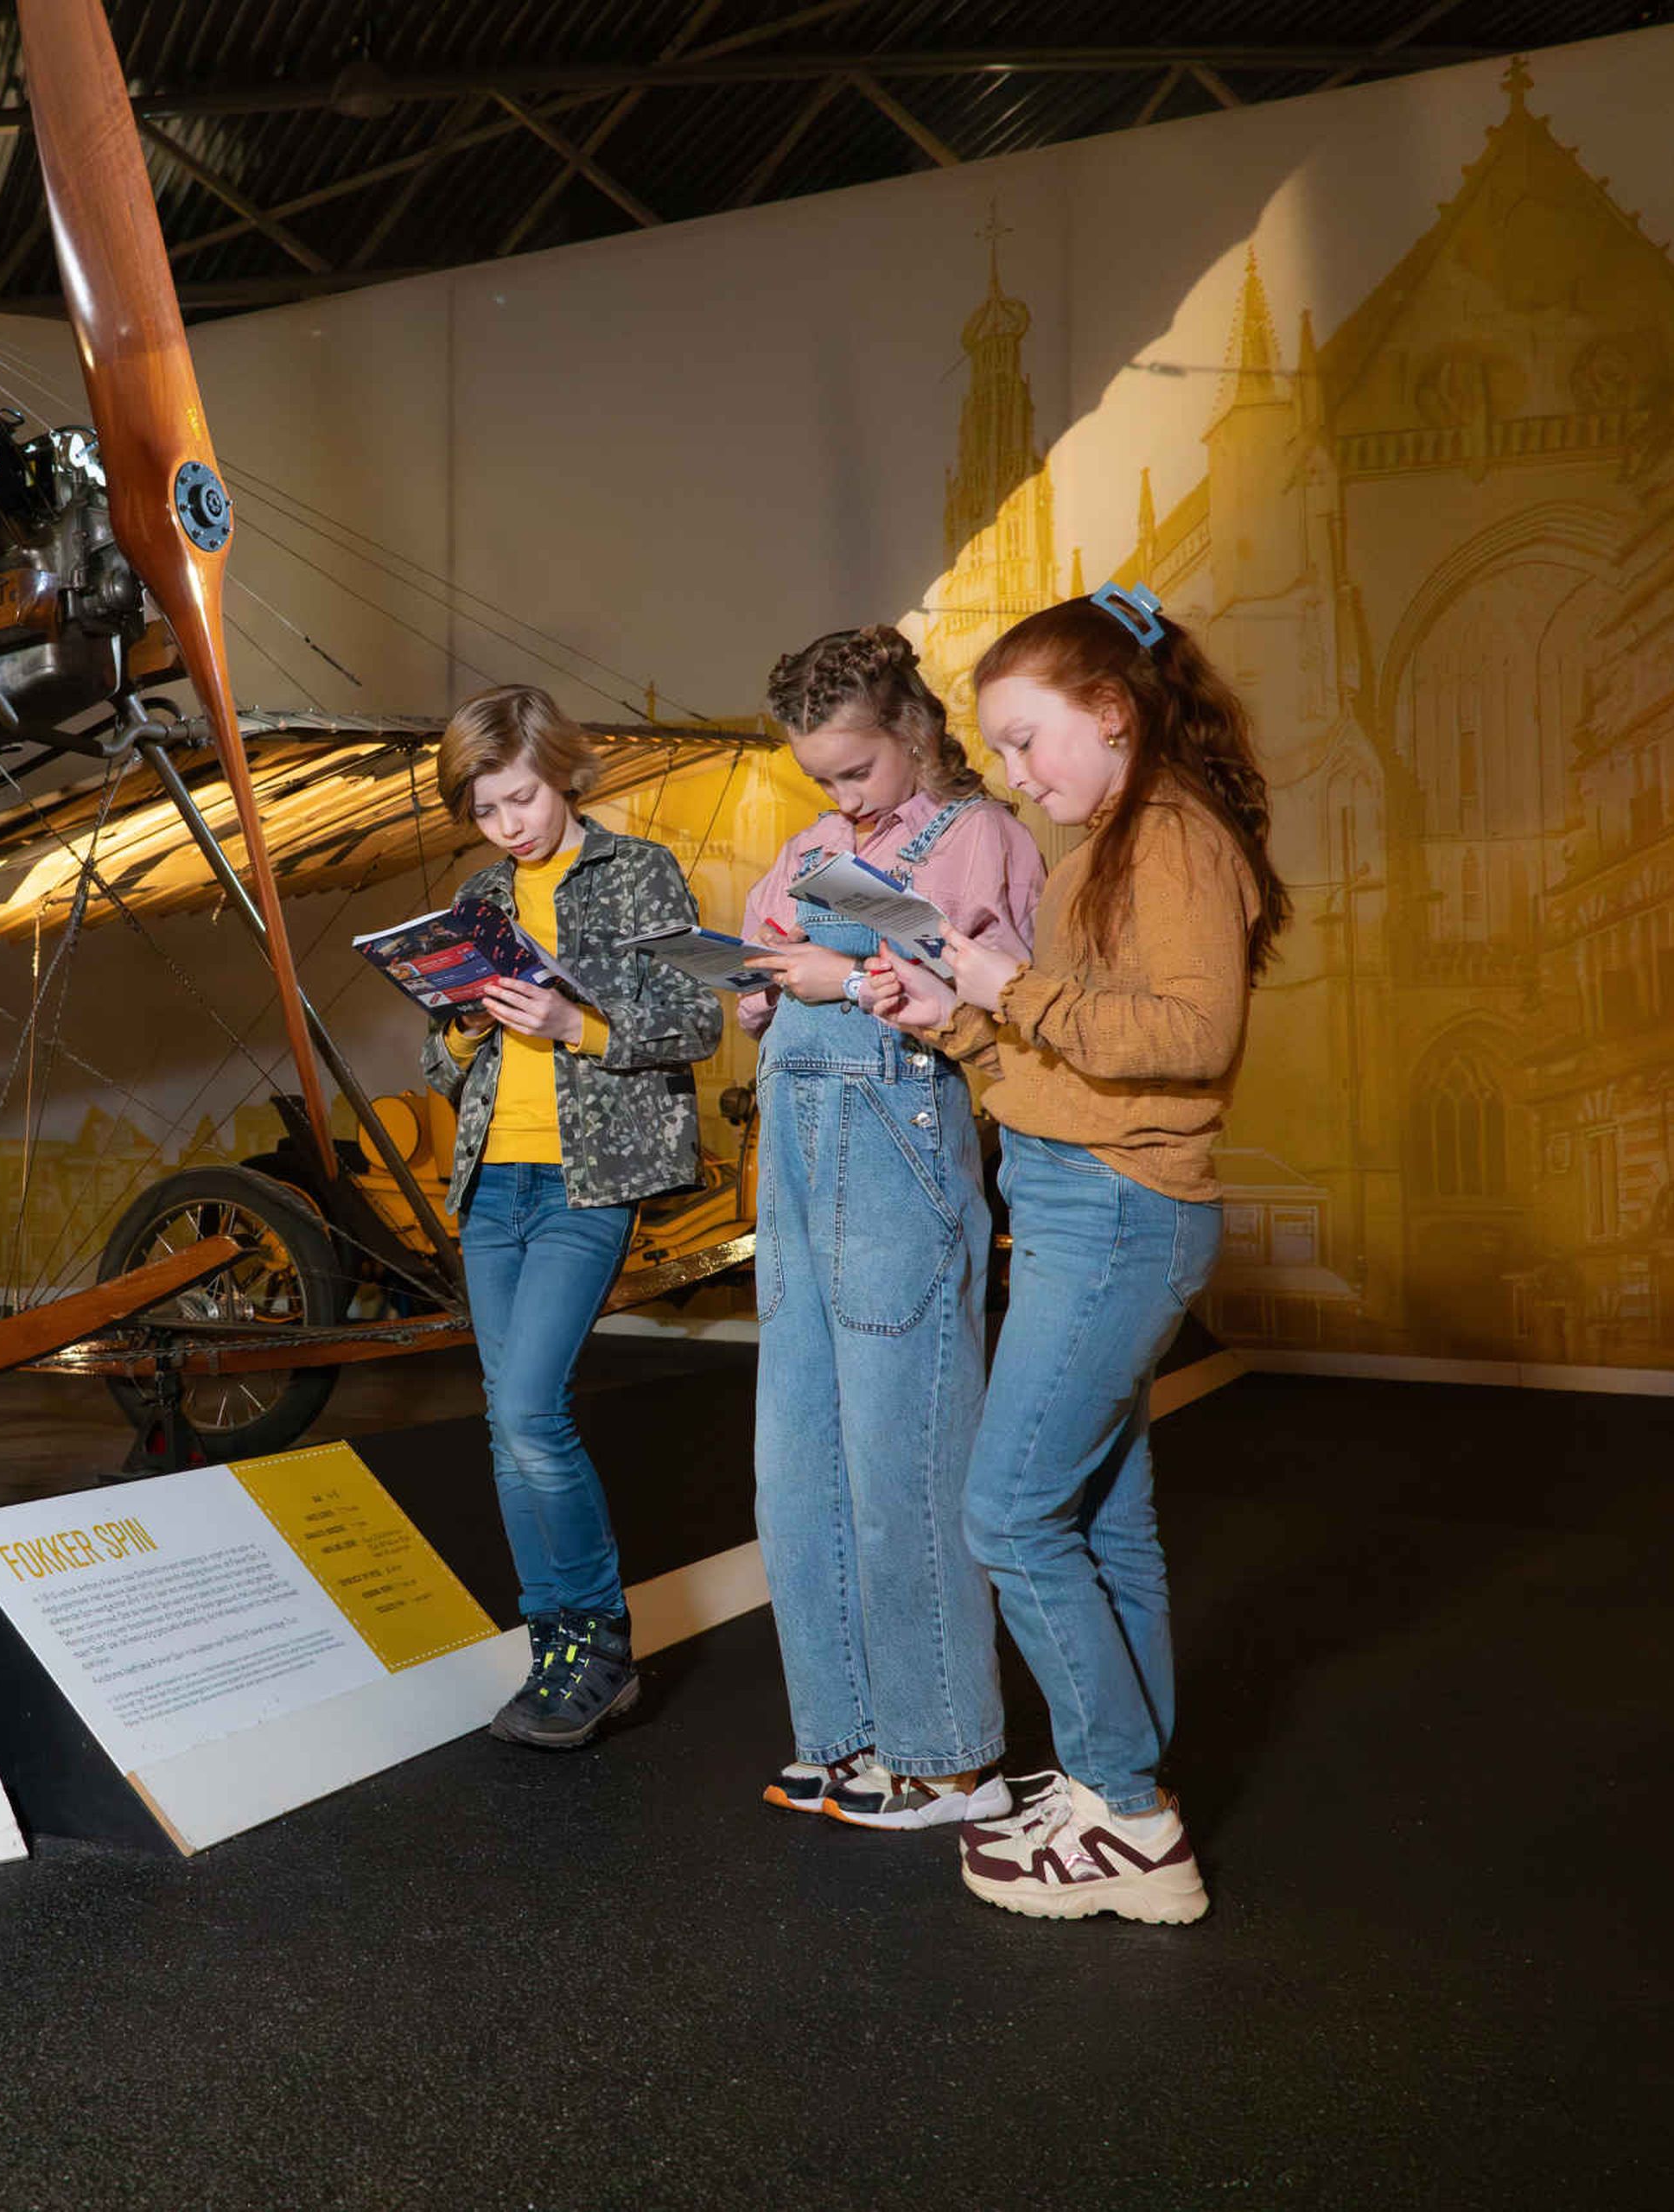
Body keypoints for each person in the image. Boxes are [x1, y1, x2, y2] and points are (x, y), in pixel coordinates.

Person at [860, 584, 1290, 1924]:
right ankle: (1122, 1780)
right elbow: (1070, 1062)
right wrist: (951, 1013)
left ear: (1114, 716)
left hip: (1114, 1213)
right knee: (1100, 1511)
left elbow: (1186, 1037)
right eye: (997, 749)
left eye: (1029, 738)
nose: (1015, 772)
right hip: (1076, 1193)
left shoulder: (1167, 834)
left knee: (1008, 1511)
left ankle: (1132, 1823)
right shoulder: (1114, 841)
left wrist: (1002, 989)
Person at [736, 626, 1045, 1831]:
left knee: (900, 1455)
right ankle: (844, 1728)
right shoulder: (811, 847)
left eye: (856, 769)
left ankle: (946, 1752)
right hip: (799, 1156)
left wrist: (853, 976)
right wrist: (761, 979)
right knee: (795, 1458)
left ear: (914, 730)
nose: (839, 796)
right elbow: (771, 963)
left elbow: (1001, 1000)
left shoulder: (984, 837)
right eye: (821, 775)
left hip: (900, 1138)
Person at [422, 684, 722, 1750]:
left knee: (533, 1408)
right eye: (487, 811)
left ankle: (596, 1640)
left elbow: (697, 1017)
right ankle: (556, 1643)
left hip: (587, 1180)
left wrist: (573, 1022)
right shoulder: (480, 895)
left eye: (521, 799)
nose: (508, 826)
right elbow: (438, 1057)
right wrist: (460, 1033)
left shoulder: (636, 871)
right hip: (489, 1184)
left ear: (561, 771)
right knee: (509, 1428)